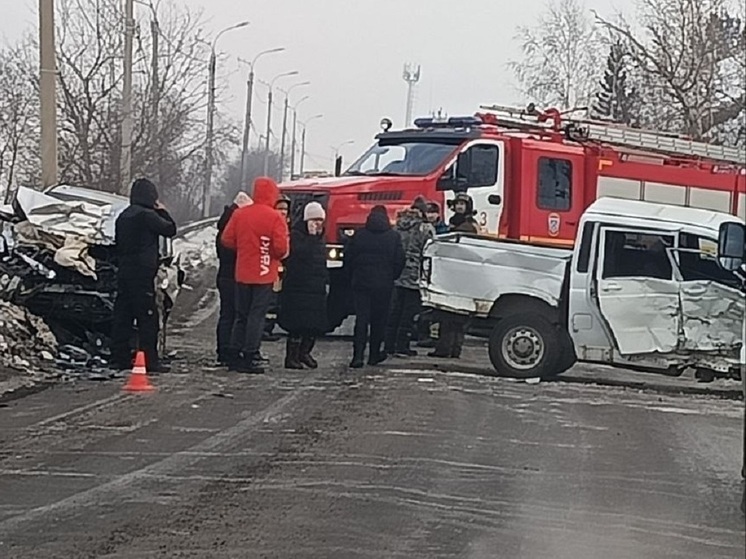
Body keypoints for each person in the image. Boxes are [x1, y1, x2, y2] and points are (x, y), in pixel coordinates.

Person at [221, 177, 289, 374]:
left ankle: (234, 353)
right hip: (264, 273)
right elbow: (281, 247)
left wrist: (244, 248)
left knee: (241, 315)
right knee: (256, 316)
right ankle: (250, 353)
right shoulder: (275, 217)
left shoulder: (240, 214)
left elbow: (227, 239)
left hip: (242, 271)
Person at [111, 178, 177, 372]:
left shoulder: (124, 216)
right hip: (142, 273)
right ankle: (149, 360)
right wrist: (162, 210)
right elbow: (170, 229)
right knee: (147, 317)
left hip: (124, 270)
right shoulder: (148, 216)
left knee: (123, 315)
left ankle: (119, 357)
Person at [343, 205, 405, 368]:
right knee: (379, 320)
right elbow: (400, 260)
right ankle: (374, 354)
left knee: (361, 319)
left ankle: (357, 356)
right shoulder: (394, 237)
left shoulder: (360, 235)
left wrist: (353, 276)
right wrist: (391, 276)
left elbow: (348, 257)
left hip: (361, 282)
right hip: (383, 284)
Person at [277, 201, 329, 369]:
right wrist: (312, 238)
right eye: (314, 220)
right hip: (298, 286)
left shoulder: (321, 238)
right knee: (297, 324)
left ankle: (304, 352)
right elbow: (299, 255)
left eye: (320, 220)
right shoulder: (297, 235)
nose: (318, 224)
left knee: (312, 324)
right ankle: (292, 356)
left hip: (315, 287)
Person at [429, 195, 479, 359]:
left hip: (459, 273)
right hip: (458, 273)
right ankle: (453, 348)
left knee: (451, 314)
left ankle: (446, 348)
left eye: (462, 204)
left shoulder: (466, 226)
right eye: (457, 203)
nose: (459, 206)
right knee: (455, 315)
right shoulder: (458, 222)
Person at [384, 196, 435, 358]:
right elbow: (430, 252)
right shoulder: (425, 229)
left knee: (395, 312)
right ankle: (402, 345)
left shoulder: (398, 227)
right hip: (414, 276)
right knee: (408, 313)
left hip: (397, 275)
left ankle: (389, 345)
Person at [215, 191, 252, 366]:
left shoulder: (224, 226)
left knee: (226, 314)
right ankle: (230, 350)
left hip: (224, 274)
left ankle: (224, 351)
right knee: (234, 313)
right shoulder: (232, 227)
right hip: (234, 275)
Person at [264, 196, 292, 342]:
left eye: (285, 209)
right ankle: (265, 328)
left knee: (276, 298)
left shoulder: (288, 225)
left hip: (283, 265)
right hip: (273, 264)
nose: (283, 212)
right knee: (270, 299)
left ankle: (269, 327)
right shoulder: (272, 223)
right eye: (280, 208)